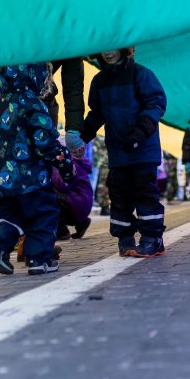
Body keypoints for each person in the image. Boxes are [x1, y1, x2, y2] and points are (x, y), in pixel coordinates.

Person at [68, 48, 168, 258]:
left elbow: (156, 103)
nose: (107, 53)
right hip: (118, 152)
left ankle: (152, 239)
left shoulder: (141, 74)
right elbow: (96, 114)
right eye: (103, 49)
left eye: (112, 47)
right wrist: (84, 136)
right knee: (119, 196)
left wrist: (140, 132)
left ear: (124, 49)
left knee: (145, 193)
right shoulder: (99, 81)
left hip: (143, 150)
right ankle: (125, 238)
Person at [0, 64, 74, 276]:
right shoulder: (33, 104)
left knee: (10, 217)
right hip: (32, 179)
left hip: (1, 182)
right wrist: (66, 165)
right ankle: (38, 259)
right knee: (43, 214)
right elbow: (46, 144)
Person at [54, 142, 93, 241]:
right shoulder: (77, 162)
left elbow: (63, 185)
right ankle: (81, 222)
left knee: (50, 197)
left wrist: (52, 171)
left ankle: (62, 232)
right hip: (81, 204)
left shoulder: (71, 164)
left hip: (78, 204)